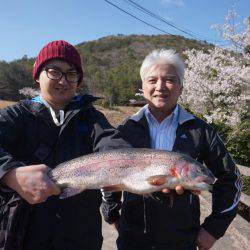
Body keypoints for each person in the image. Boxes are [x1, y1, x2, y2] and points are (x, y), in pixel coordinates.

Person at [101, 49, 241, 250]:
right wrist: (112, 213)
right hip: (132, 239)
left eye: (169, 80)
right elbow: (109, 171)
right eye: (152, 80)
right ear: (143, 86)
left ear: (181, 87)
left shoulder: (200, 131)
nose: (160, 86)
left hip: (182, 240)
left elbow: (231, 178)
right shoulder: (125, 130)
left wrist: (213, 229)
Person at [0, 40, 131, 250]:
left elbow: (113, 144)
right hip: (22, 236)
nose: (63, 81)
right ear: (37, 75)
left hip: (81, 238)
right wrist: (10, 174)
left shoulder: (91, 118)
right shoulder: (17, 116)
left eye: (71, 74)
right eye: (54, 71)